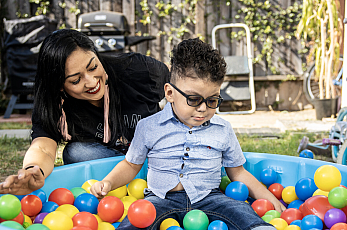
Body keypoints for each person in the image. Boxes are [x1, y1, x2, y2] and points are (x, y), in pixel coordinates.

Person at [90, 38, 285, 229]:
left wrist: (268, 197)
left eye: (212, 101)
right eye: (193, 99)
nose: (203, 108)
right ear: (170, 93)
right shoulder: (149, 127)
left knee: (239, 209)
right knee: (138, 217)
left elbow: (238, 172)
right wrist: (108, 182)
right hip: (160, 198)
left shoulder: (222, 129)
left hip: (210, 198)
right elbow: (131, 165)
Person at [0, 29, 170, 195]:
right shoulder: (52, 102)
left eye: (93, 67)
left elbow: (182, 83)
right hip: (112, 161)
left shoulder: (138, 70)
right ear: (59, 85)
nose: (91, 82)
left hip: (155, 156)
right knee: (76, 153)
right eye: (76, 80)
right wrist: (32, 170)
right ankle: (122, 179)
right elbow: (43, 147)